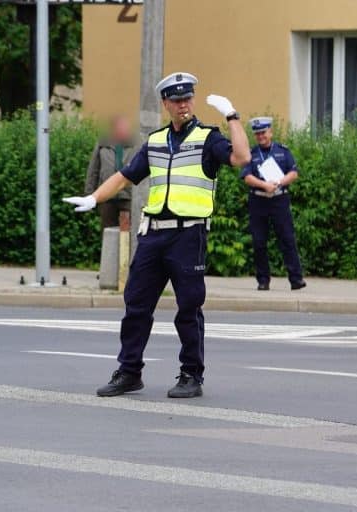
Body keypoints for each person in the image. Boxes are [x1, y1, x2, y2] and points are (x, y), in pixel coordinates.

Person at [64, 72, 251, 399]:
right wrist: (95, 198)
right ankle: (129, 371)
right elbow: (124, 177)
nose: (184, 105)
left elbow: (242, 158)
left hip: (188, 235)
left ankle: (191, 374)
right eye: (177, 100)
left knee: (188, 308)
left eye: (188, 98)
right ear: (165, 103)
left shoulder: (209, 138)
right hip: (153, 235)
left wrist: (232, 116)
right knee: (136, 303)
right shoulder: (156, 141)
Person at [240, 117, 306, 291]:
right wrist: (264, 185)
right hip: (258, 200)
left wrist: (279, 183)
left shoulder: (283, 151)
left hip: (279, 199)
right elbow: (247, 177)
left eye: (263, 132)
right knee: (259, 242)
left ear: (270, 132)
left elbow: (294, 173)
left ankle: (296, 279)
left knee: (287, 239)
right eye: (257, 133)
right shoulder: (251, 154)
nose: (261, 136)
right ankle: (263, 281)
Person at [84, 115, 138, 230]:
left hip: (128, 196)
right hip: (107, 196)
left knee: (129, 231)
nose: (124, 130)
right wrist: (89, 194)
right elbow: (93, 170)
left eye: (126, 127)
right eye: (121, 127)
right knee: (108, 231)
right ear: (114, 129)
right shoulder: (103, 144)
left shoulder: (136, 145)